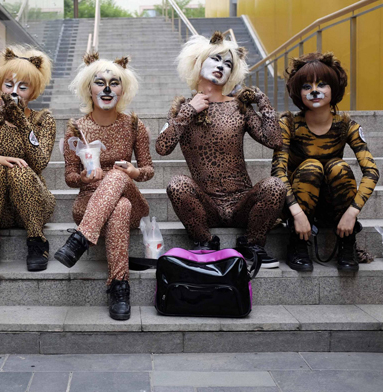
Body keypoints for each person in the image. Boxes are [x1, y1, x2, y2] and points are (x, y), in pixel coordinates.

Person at [156, 31, 285, 268]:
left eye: (227, 64)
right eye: (215, 59)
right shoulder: (182, 109)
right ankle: (203, 242)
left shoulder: (239, 107)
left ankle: (252, 243)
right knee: (177, 184)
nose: (221, 66)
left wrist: (262, 101)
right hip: (206, 205)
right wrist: (188, 112)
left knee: (275, 186)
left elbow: (274, 140)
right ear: (198, 62)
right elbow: (162, 147)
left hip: (241, 202)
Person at [54, 52, 154, 321]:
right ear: (89, 87)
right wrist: (84, 179)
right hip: (87, 204)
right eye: (100, 82)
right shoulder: (77, 128)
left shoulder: (135, 125)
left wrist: (134, 171)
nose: (107, 89)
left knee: (119, 176)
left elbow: (148, 170)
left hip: (134, 202)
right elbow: (69, 177)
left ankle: (80, 239)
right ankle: (119, 287)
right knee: (118, 207)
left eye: (114, 82)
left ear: (123, 89)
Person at [272, 52, 379, 272]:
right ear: (298, 92)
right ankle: (298, 243)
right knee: (312, 166)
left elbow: (371, 171)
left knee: (338, 166)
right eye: (306, 86)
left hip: (333, 204)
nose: (314, 91)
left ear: (333, 88)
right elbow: (278, 171)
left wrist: (352, 213)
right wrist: (298, 214)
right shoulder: (289, 123)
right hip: (296, 204)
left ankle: (347, 243)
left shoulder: (346, 124)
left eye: (322, 84)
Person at [0, 46, 55, 272]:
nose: (14, 92)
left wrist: (23, 123)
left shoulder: (42, 120)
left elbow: (39, 163)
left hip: (34, 205)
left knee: (19, 170)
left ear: (33, 91)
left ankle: (37, 240)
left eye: (23, 87)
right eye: (8, 85)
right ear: (0, 86)